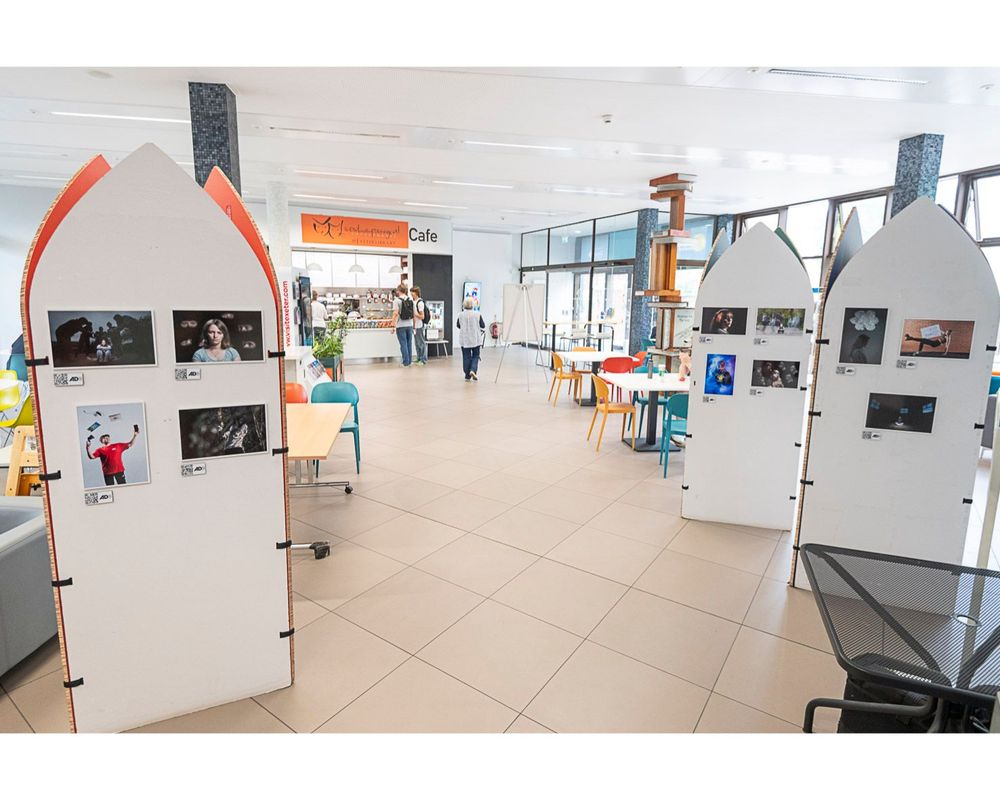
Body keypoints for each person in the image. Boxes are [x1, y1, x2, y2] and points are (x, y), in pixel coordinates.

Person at [456, 297, 485, 381]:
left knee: (466, 356)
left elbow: (458, 325)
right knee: (476, 355)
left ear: (464, 305)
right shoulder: (478, 314)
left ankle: (467, 375)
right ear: (473, 305)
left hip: (464, 339)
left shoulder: (460, 315)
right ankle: (473, 370)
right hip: (475, 338)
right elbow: (483, 325)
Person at [391, 284, 414, 367]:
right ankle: (409, 361)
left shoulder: (397, 300)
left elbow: (395, 313)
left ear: (398, 291)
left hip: (400, 325)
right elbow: (413, 313)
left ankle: (405, 362)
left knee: (403, 344)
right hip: (409, 325)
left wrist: (392, 325)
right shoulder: (410, 299)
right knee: (409, 344)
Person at [411, 286, 428, 366]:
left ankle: (423, 359)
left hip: (420, 325)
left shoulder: (420, 303)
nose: (411, 293)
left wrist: (415, 314)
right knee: (417, 343)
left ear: (416, 293)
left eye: (413, 292)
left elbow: (422, 316)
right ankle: (419, 358)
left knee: (421, 343)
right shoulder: (414, 302)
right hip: (415, 326)